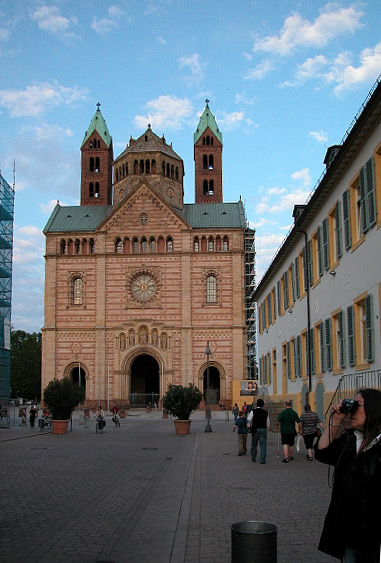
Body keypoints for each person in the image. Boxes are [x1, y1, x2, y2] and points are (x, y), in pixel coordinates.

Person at [315, 389, 381, 563]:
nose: (351, 411)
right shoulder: (351, 440)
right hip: (350, 535)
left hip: (374, 538)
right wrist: (336, 420)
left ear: (373, 409)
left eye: (356, 406)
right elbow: (322, 452)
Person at [247, 398, 269, 464]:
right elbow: (268, 423)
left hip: (255, 429)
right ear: (263, 405)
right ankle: (262, 460)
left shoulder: (253, 411)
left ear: (257, 404)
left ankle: (253, 457)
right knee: (263, 445)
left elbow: (249, 419)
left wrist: (250, 425)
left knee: (254, 444)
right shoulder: (265, 412)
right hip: (263, 429)